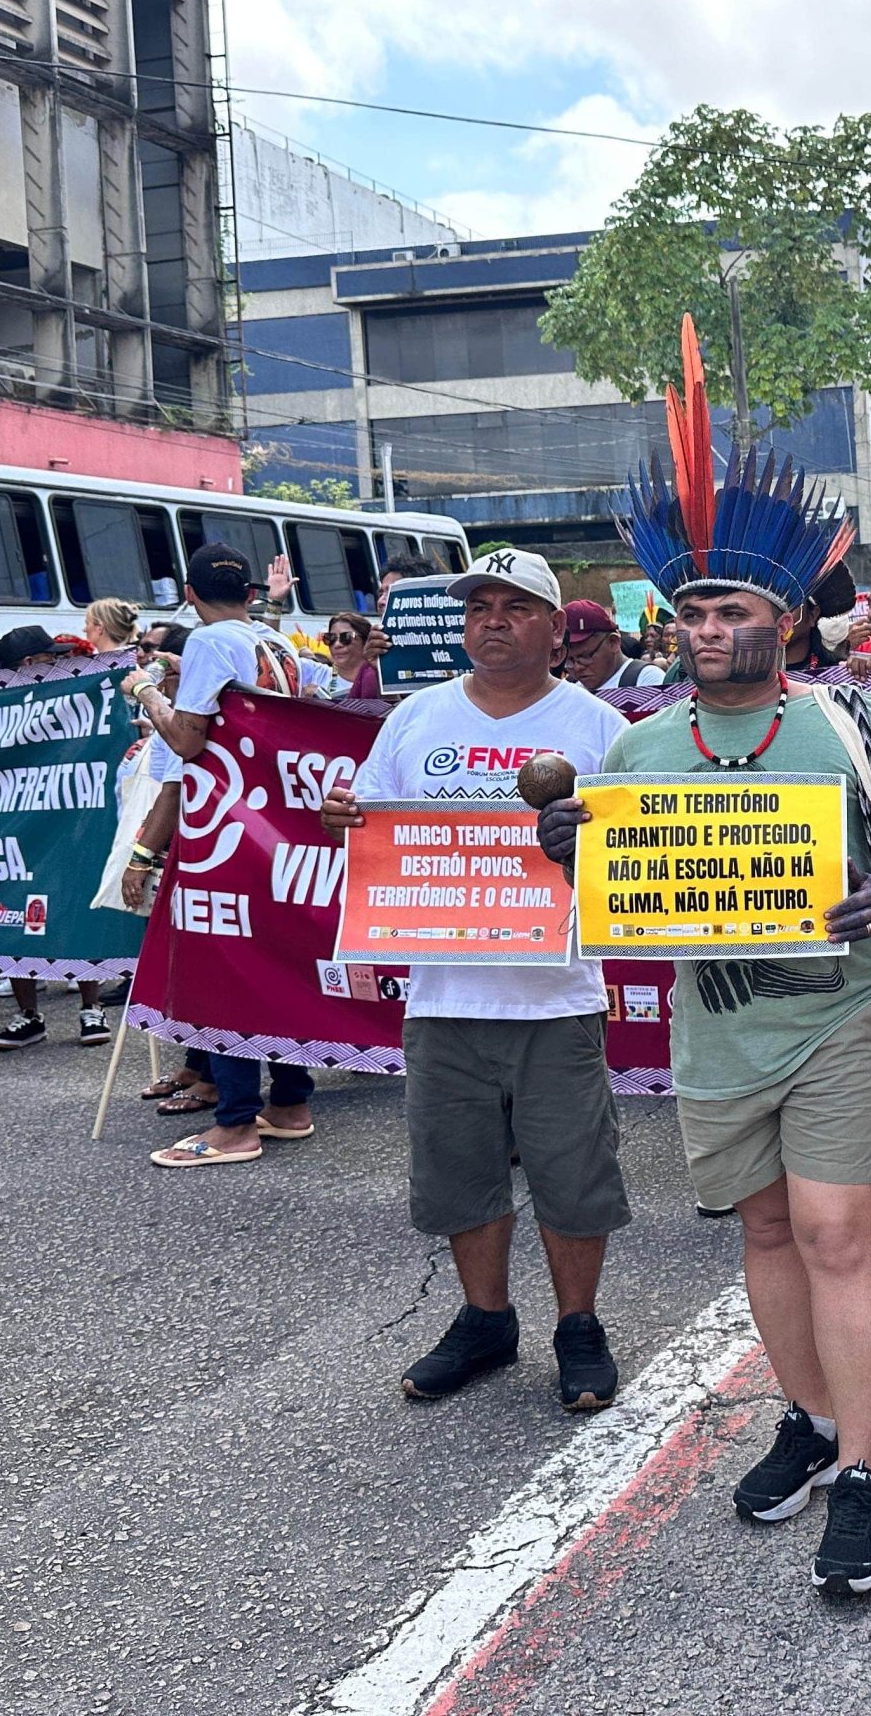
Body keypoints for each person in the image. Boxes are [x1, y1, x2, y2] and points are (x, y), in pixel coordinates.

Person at [543, 350, 871, 1598]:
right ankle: (809, 1422)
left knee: (837, 1229)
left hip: (836, 1012)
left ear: (781, 620)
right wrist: (568, 850)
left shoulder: (840, 718)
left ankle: (866, 1473)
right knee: (766, 1228)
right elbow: (619, 888)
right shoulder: (641, 740)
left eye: (730, 614)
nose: (709, 632)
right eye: (692, 616)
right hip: (715, 1024)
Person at [321, 547, 635, 1410]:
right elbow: (371, 823)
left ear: (554, 627)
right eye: (478, 608)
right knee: (459, 1170)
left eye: (515, 606)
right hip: (444, 993)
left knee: (574, 1177)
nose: (491, 620)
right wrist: (342, 816)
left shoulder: (601, 728)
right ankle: (485, 1319)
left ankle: (580, 1326)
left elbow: (638, 857)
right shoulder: (416, 717)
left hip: (557, 994)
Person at [122, 542, 319, 1169]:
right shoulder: (278, 643)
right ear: (252, 593)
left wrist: (148, 694)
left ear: (189, 593)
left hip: (226, 829)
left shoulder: (209, 643)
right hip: (279, 822)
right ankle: (289, 1103)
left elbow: (188, 738)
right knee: (277, 964)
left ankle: (235, 1125)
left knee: (228, 971)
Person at [0, 626, 110, 1050]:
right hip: (17, 828)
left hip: (73, 825)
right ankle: (28, 1016)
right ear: (30, 664)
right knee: (12, 916)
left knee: (77, 913)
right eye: (50, 657)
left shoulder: (80, 697)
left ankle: (92, 1009)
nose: (60, 661)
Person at [558, 599, 666, 693]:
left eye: (586, 656)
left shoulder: (647, 681)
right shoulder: (570, 691)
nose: (577, 667)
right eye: (569, 660)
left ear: (613, 642)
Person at [323, 612, 383, 698]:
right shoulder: (317, 674)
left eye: (346, 637)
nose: (337, 645)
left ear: (366, 641)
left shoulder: (376, 677)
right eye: (331, 638)